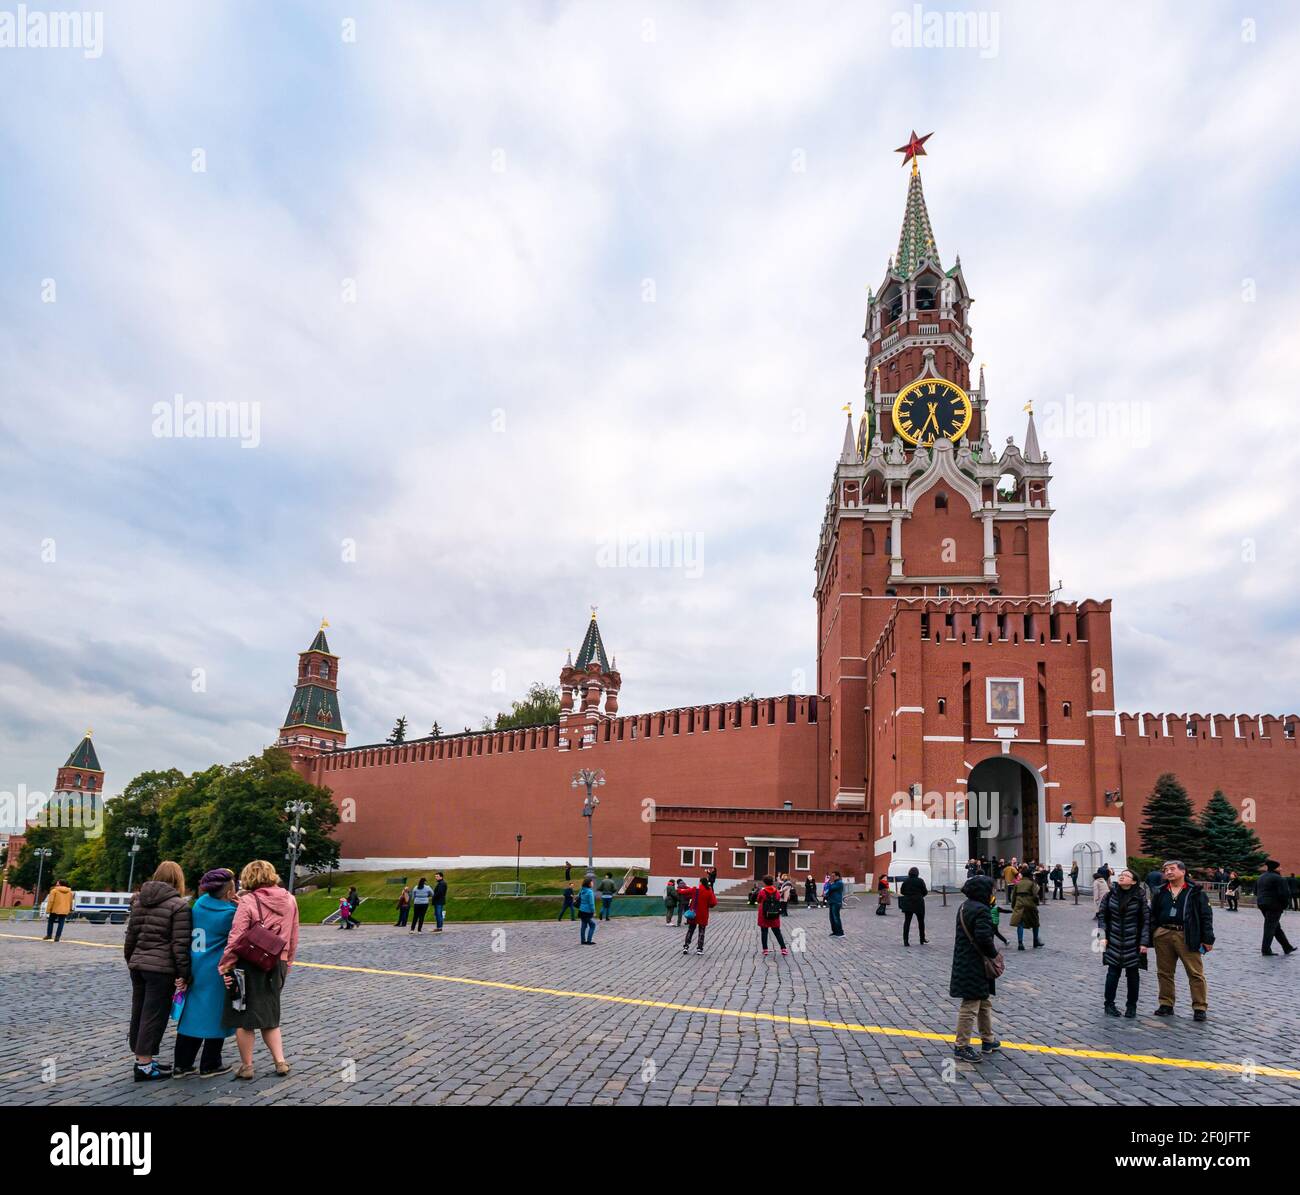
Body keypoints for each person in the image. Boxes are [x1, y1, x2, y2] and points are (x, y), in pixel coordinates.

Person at [219, 860, 300, 1080]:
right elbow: (293, 936)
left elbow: (236, 937)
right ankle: (280, 1061)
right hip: (277, 962)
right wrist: (287, 963)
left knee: (243, 1016)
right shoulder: (290, 900)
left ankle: (247, 1066)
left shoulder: (248, 901)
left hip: (249, 963)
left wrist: (225, 965)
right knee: (270, 1015)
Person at [124, 860, 192, 1081]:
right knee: (153, 1016)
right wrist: (184, 974)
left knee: (139, 1012)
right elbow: (179, 944)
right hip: (161, 969)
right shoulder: (179, 906)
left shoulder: (139, 901)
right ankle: (144, 1066)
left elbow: (130, 937)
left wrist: (132, 960)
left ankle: (143, 1059)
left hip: (138, 965)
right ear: (178, 880)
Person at [173, 868, 238, 1078]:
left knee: (191, 1016)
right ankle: (211, 1063)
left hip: (194, 967)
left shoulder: (199, 905)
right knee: (216, 1015)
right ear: (229, 892)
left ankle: (182, 1064)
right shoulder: (229, 914)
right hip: (215, 971)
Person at [1150, 859, 1213, 1020]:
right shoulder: (1160, 891)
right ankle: (1166, 1004)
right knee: (1164, 972)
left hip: (1187, 934)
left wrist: (1207, 939)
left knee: (1195, 972)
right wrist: (1154, 932)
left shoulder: (1195, 892)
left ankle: (1200, 1007)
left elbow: (1206, 916)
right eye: (1166, 870)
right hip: (1163, 933)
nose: (1168, 872)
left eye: (1172, 869)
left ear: (1183, 871)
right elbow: (1152, 914)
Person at [949, 875, 1001, 1063]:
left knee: (984, 1001)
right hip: (976, 962)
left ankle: (988, 1039)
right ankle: (961, 1046)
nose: (993, 892)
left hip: (966, 959)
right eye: (991, 889)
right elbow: (984, 938)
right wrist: (995, 955)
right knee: (970, 1005)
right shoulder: (982, 910)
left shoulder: (964, 906)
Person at [1096, 868, 1150, 1018]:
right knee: (1112, 973)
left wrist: (1144, 942)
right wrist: (1102, 937)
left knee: (1133, 974)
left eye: (1126, 876)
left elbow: (1146, 920)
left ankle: (1131, 1006)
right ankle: (1109, 1004)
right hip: (1113, 939)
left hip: (1133, 941)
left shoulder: (1140, 897)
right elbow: (1102, 917)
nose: (1122, 877)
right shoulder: (1110, 895)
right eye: (1121, 875)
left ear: (1133, 881)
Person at [1255, 859, 1296, 956]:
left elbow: (1256, 891)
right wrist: (1284, 905)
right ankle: (1265, 950)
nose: (1281, 869)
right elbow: (1284, 894)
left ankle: (1287, 947)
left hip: (1262, 904)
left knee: (1275, 926)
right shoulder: (1279, 878)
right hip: (1274, 905)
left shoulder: (1261, 877)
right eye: (1279, 867)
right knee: (1270, 927)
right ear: (1276, 868)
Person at [681, 874, 717, 955]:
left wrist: (679, 889)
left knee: (690, 930)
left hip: (694, 913)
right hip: (703, 914)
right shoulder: (709, 891)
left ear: (700, 882)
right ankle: (699, 949)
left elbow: (684, 892)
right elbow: (713, 903)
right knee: (701, 931)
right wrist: (708, 905)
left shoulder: (695, 890)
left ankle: (686, 947)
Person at [1010, 865, 1042, 950]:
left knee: (1020, 924)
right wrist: (1036, 903)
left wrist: (1013, 905)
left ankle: (1020, 943)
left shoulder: (1018, 883)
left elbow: (1013, 896)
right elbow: (1035, 895)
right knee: (1035, 922)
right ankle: (1035, 941)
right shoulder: (1032, 883)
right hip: (1030, 904)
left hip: (1019, 904)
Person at [756, 874, 788, 957]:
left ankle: (765, 949)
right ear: (772, 882)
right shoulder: (776, 891)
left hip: (764, 914)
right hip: (774, 913)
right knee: (777, 932)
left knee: (764, 932)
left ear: (764, 883)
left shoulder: (762, 891)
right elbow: (778, 899)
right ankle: (783, 948)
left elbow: (758, 899)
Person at [898, 867, 928, 946]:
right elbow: (925, 891)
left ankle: (905, 940)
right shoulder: (920, 881)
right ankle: (922, 939)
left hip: (908, 903)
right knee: (921, 921)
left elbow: (902, 891)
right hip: (918, 902)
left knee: (907, 922)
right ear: (917, 873)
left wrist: (908, 895)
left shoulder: (906, 881)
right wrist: (919, 895)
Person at [577, 876, 597, 944]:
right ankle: (589, 940)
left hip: (581, 910)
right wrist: (593, 911)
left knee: (583, 925)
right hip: (587, 911)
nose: (593, 883)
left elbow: (578, 898)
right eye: (592, 882)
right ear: (589, 884)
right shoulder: (590, 892)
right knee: (593, 925)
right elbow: (591, 903)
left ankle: (583, 940)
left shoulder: (581, 890)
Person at [826, 871, 846, 937]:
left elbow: (831, 888)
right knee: (831, 918)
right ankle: (835, 932)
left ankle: (840, 933)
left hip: (836, 902)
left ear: (838, 876)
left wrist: (828, 883)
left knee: (836, 917)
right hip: (832, 901)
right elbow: (829, 891)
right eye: (831, 876)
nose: (832, 877)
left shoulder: (839, 883)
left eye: (833, 876)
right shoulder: (834, 883)